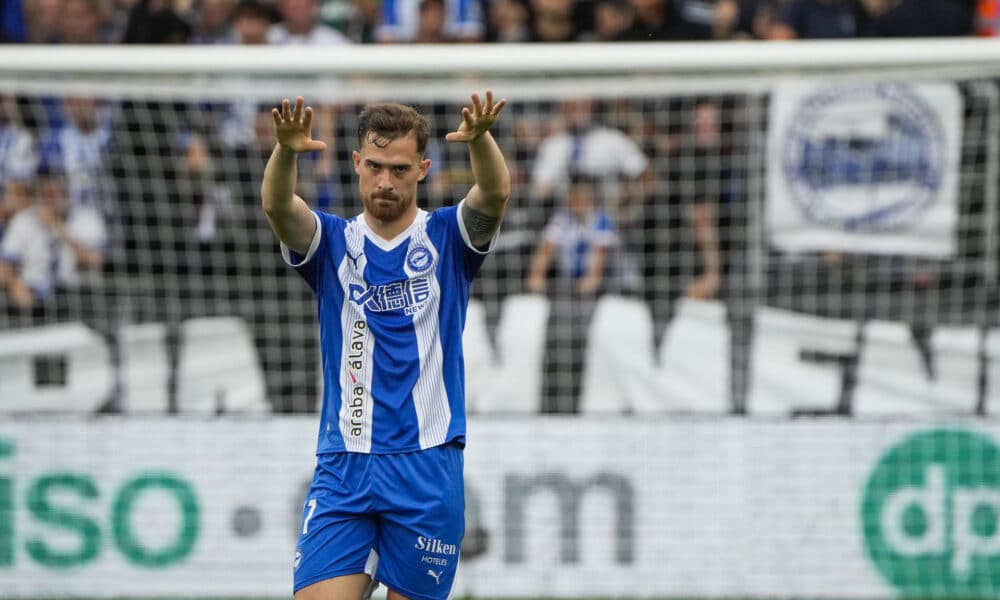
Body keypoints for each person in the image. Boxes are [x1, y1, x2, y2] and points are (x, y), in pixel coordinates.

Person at [261, 91, 509, 599]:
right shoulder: (332, 242)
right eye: (374, 166)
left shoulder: (447, 239)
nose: (384, 181)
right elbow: (278, 206)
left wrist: (481, 139)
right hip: (345, 464)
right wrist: (285, 151)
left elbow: (494, 194)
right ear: (356, 163)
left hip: (426, 467)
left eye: (398, 169)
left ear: (422, 168)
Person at [525, 171, 635, 412]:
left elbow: (597, 269)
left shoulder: (602, 220)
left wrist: (588, 282)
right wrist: (536, 276)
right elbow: (545, 252)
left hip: (610, 284)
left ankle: (575, 402)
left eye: (583, 195)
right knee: (557, 325)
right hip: (572, 287)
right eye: (573, 195)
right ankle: (550, 402)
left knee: (579, 325)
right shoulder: (561, 220)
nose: (577, 200)